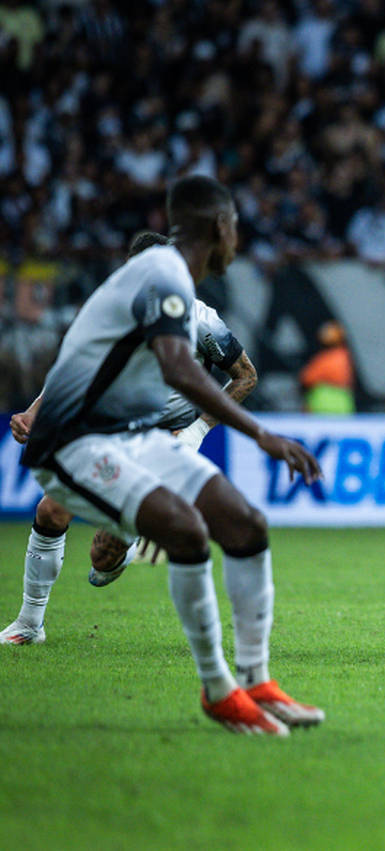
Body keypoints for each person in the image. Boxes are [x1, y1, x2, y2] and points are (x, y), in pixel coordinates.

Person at [15, 175, 324, 735]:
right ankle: (219, 691)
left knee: (245, 524)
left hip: (138, 436)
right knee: (182, 531)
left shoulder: (175, 286)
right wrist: (262, 435)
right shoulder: (160, 279)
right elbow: (179, 367)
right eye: (233, 226)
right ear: (217, 228)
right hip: (72, 442)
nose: (237, 239)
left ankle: (257, 682)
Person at [2, 230, 259, 645]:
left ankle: (126, 538)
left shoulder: (200, 320)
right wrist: (33, 413)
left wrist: (196, 430)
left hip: (165, 441)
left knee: (103, 556)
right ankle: (30, 625)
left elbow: (246, 376)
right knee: (50, 512)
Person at [300, 319, 355, 414]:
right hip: (342, 402)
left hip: (327, 403)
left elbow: (307, 377)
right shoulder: (343, 355)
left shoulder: (334, 357)